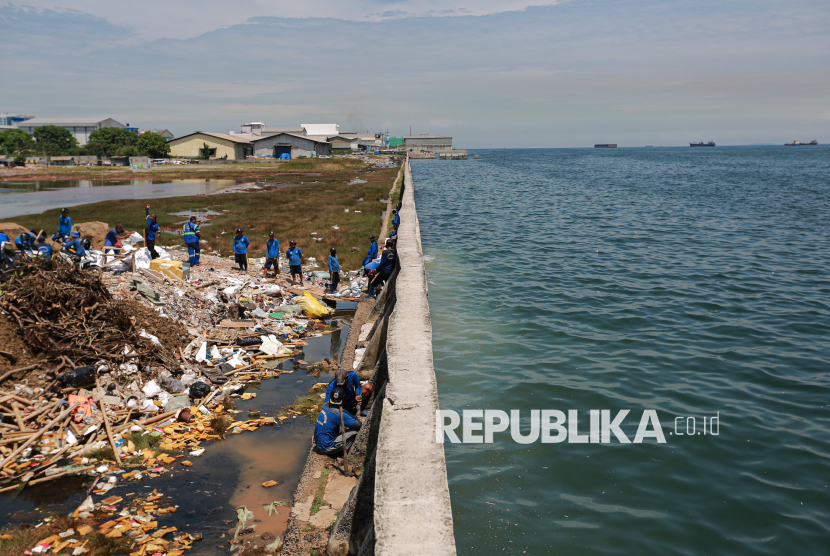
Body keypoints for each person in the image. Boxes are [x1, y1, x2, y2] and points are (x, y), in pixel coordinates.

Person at [313, 385, 361, 456]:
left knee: (339, 424)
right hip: (326, 447)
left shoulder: (325, 405)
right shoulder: (337, 414)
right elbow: (358, 424)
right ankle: (345, 451)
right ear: (343, 400)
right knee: (356, 432)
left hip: (319, 444)